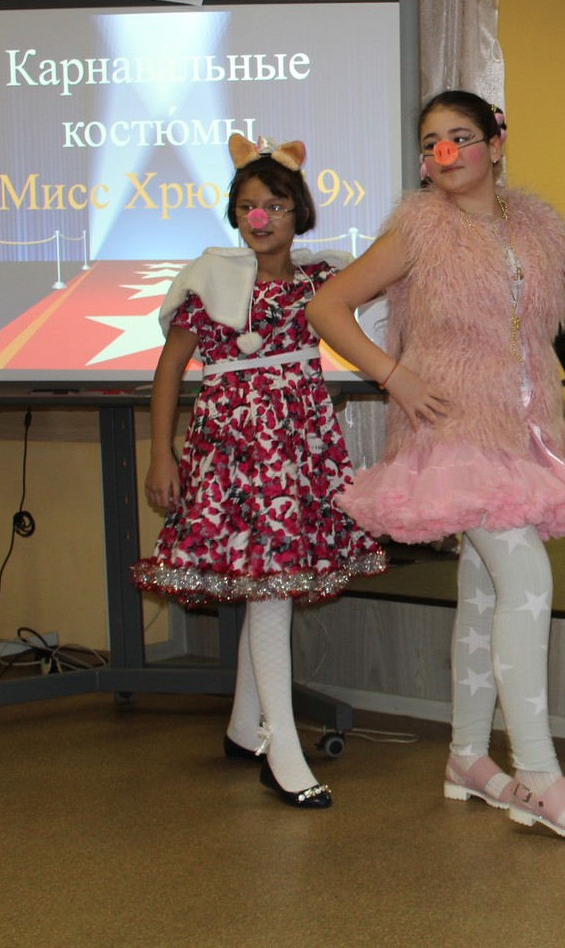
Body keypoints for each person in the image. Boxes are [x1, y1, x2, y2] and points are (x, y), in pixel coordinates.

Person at [305, 90, 565, 842]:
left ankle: (467, 756)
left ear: (495, 145)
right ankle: (537, 773)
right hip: (450, 429)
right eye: (431, 141)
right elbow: (328, 306)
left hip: (517, 432)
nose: (446, 152)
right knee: (526, 580)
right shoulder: (416, 229)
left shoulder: (535, 227)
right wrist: (393, 376)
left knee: (483, 588)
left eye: (461, 136)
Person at [135, 133, 387, 810]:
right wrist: (161, 452)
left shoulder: (322, 280)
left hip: (299, 451)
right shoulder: (210, 279)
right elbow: (169, 369)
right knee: (269, 586)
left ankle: (246, 728)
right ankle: (282, 753)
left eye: (274, 205)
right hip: (234, 452)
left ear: (298, 211)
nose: (260, 217)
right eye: (248, 206)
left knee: (267, 584)